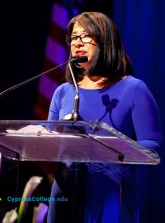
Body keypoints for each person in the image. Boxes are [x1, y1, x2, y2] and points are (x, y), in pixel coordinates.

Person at [46, 11, 163, 223]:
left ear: (105, 41)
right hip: (65, 192)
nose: (77, 43)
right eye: (73, 37)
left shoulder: (133, 89)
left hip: (110, 193)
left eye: (85, 36)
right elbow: (47, 141)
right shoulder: (63, 91)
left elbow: (153, 145)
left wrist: (108, 147)